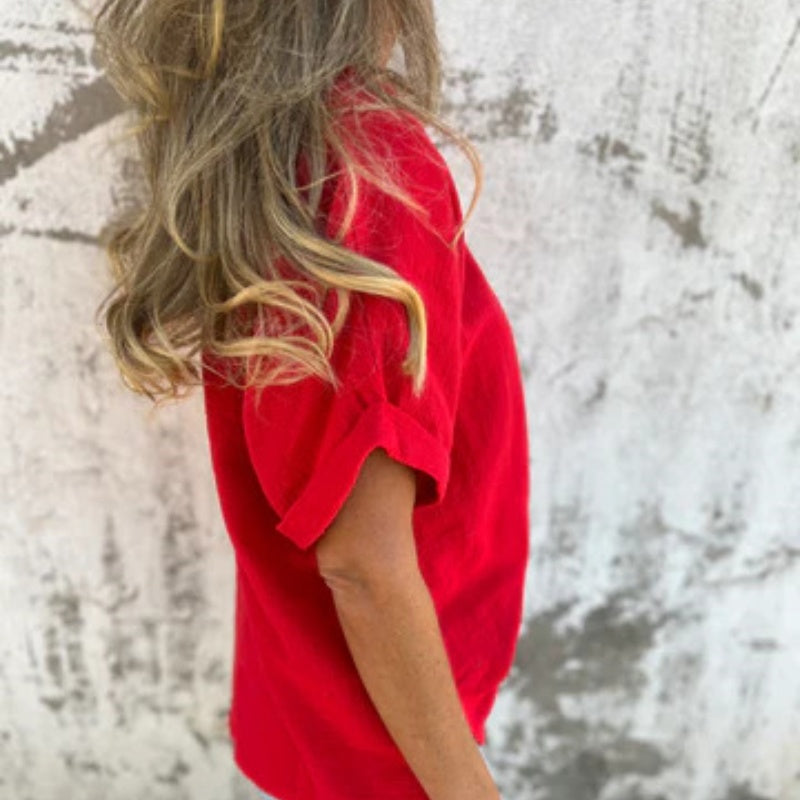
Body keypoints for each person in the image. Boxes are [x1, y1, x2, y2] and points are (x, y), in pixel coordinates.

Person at [92, 2, 529, 799]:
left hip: (317, 686)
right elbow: (363, 568)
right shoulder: (371, 176)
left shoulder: (268, 144)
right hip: (391, 732)